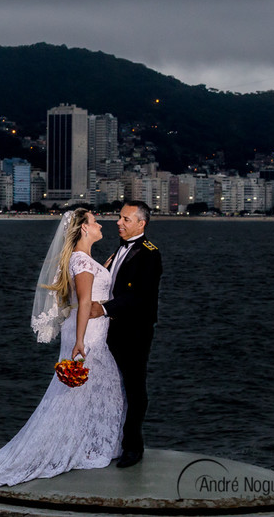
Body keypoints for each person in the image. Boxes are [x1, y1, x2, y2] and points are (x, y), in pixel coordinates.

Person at [0, 208, 123, 501]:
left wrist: (103, 269)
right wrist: (80, 341)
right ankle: (83, 447)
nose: (100, 225)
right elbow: (84, 302)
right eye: (95, 221)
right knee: (91, 391)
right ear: (83, 229)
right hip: (89, 336)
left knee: (90, 392)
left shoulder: (85, 260)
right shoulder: (81, 261)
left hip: (88, 332)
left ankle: (87, 444)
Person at [90, 200, 162, 468]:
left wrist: (103, 309)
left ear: (141, 224)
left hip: (134, 333)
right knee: (105, 385)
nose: (118, 222)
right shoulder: (120, 249)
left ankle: (133, 446)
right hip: (110, 329)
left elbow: (140, 297)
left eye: (126, 219)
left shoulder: (150, 254)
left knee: (134, 388)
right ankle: (104, 440)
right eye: (119, 217)